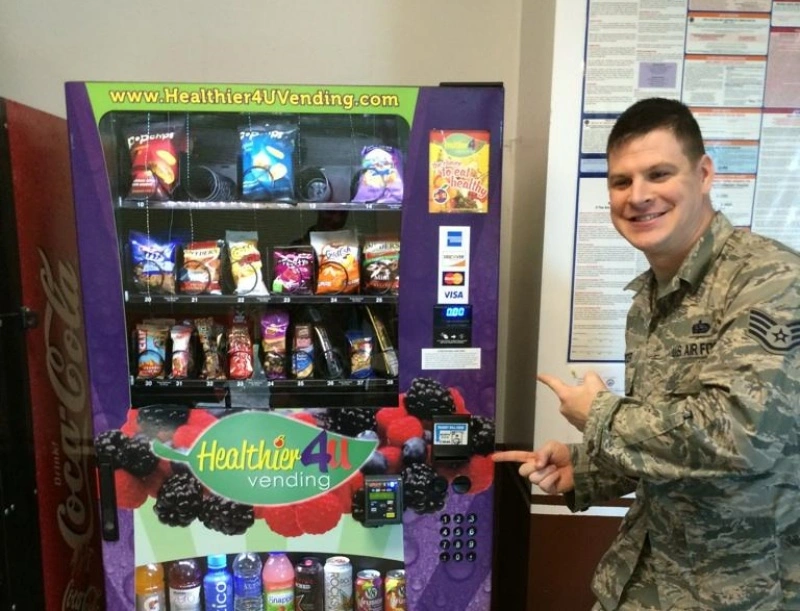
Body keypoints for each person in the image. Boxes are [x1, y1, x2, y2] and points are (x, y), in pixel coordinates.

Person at [493, 97, 800, 610]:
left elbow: (741, 438)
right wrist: (586, 468)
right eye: (621, 181)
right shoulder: (650, 298)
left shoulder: (769, 280)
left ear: (703, 174)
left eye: (659, 174)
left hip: (742, 594)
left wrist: (600, 417)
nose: (638, 196)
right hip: (646, 580)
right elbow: (670, 438)